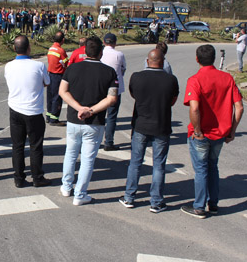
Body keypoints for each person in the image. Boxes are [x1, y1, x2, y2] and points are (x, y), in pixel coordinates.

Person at [181, 45, 244, 219]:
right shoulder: (227, 78)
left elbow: (194, 108)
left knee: (201, 170)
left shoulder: (195, 80)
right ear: (214, 58)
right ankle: (213, 203)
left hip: (201, 134)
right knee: (213, 167)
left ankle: (199, 207)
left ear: (197, 58)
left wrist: (198, 130)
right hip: (220, 134)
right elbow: (239, 107)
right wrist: (232, 130)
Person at [59, 36, 118, 205]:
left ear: (85, 51)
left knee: (70, 154)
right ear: (101, 52)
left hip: (73, 120)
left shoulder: (72, 69)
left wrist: (78, 108)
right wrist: (90, 111)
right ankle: (80, 194)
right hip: (95, 122)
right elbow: (111, 99)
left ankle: (66, 186)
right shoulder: (109, 72)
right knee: (87, 159)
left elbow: (63, 91)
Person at [120, 49, 179, 213]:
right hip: (162, 125)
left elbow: (134, 95)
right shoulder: (171, 80)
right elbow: (172, 101)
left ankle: (129, 197)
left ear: (148, 61)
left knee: (135, 162)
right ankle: (156, 201)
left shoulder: (137, 77)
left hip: (140, 125)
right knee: (159, 165)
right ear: (163, 61)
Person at [5, 35, 52, 188]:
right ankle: (37, 177)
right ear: (29, 48)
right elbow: (47, 82)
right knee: (35, 146)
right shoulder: (38, 66)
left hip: (15, 110)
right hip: (33, 111)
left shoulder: (8, 66)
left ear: (14, 48)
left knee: (17, 146)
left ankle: (18, 178)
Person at [100, 33, 126, 151]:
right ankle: (108, 142)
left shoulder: (100, 53)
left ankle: (95, 140)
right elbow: (123, 69)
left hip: (100, 87)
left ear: (104, 42)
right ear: (115, 43)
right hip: (114, 88)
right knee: (111, 116)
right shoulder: (119, 54)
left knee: (98, 114)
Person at [46, 31, 68, 126]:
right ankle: (54, 119)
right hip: (58, 75)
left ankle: (49, 116)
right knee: (57, 97)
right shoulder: (61, 51)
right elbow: (66, 63)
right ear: (62, 40)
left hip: (50, 74)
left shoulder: (51, 48)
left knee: (50, 96)